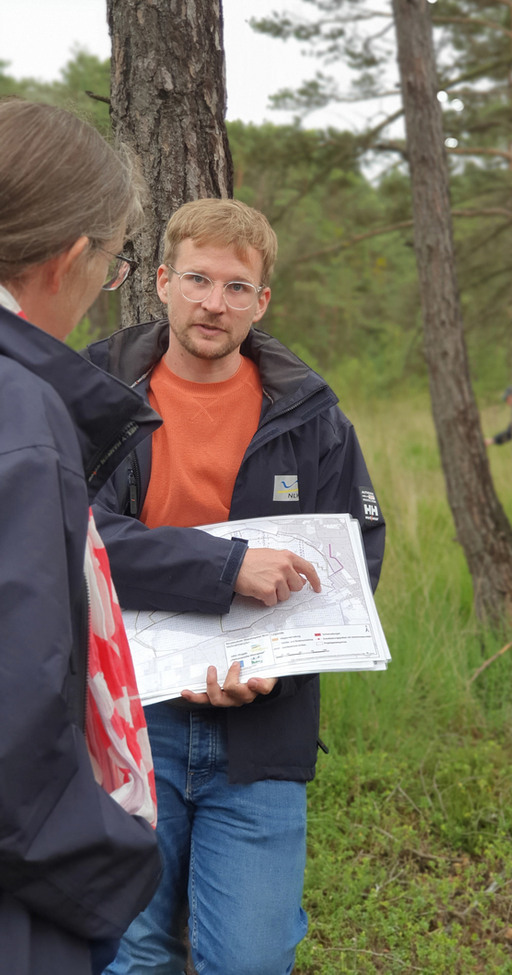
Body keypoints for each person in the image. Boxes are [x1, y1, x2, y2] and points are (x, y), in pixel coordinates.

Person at [85, 197, 385, 975]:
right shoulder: (95, 395)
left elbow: (351, 557)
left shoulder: (310, 415)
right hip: (128, 725)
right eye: (197, 279)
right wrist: (223, 569)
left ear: (262, 300)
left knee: (251, 960)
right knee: (131, 954)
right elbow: (71, 537)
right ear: (160, 282)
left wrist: (274, 666)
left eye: (236, 287)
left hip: (262, 736)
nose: (214, 303)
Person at [0, 99, 162, 975]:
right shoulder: (21, 411)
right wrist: (120, 866)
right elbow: (13, 741)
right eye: (112, 263)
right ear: (69, 259)